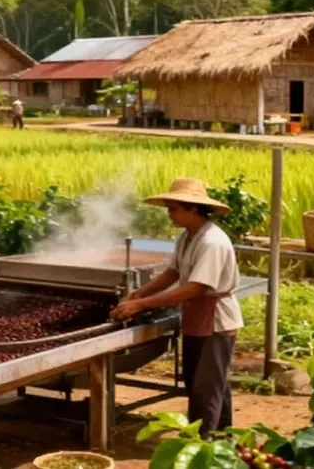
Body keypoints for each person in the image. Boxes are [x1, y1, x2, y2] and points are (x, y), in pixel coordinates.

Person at [109, 178, 242, 437]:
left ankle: (203, 444)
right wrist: (138, 293)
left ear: (192, 209)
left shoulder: (212, 241)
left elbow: (196, 288)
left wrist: (141, 305)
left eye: (173, 209)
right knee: (206, 382)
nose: (169, 214)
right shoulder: (187, 236)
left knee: (206, 388)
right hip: (197, 315)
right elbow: (172, 272)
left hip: (215, 320)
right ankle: (223, 438)